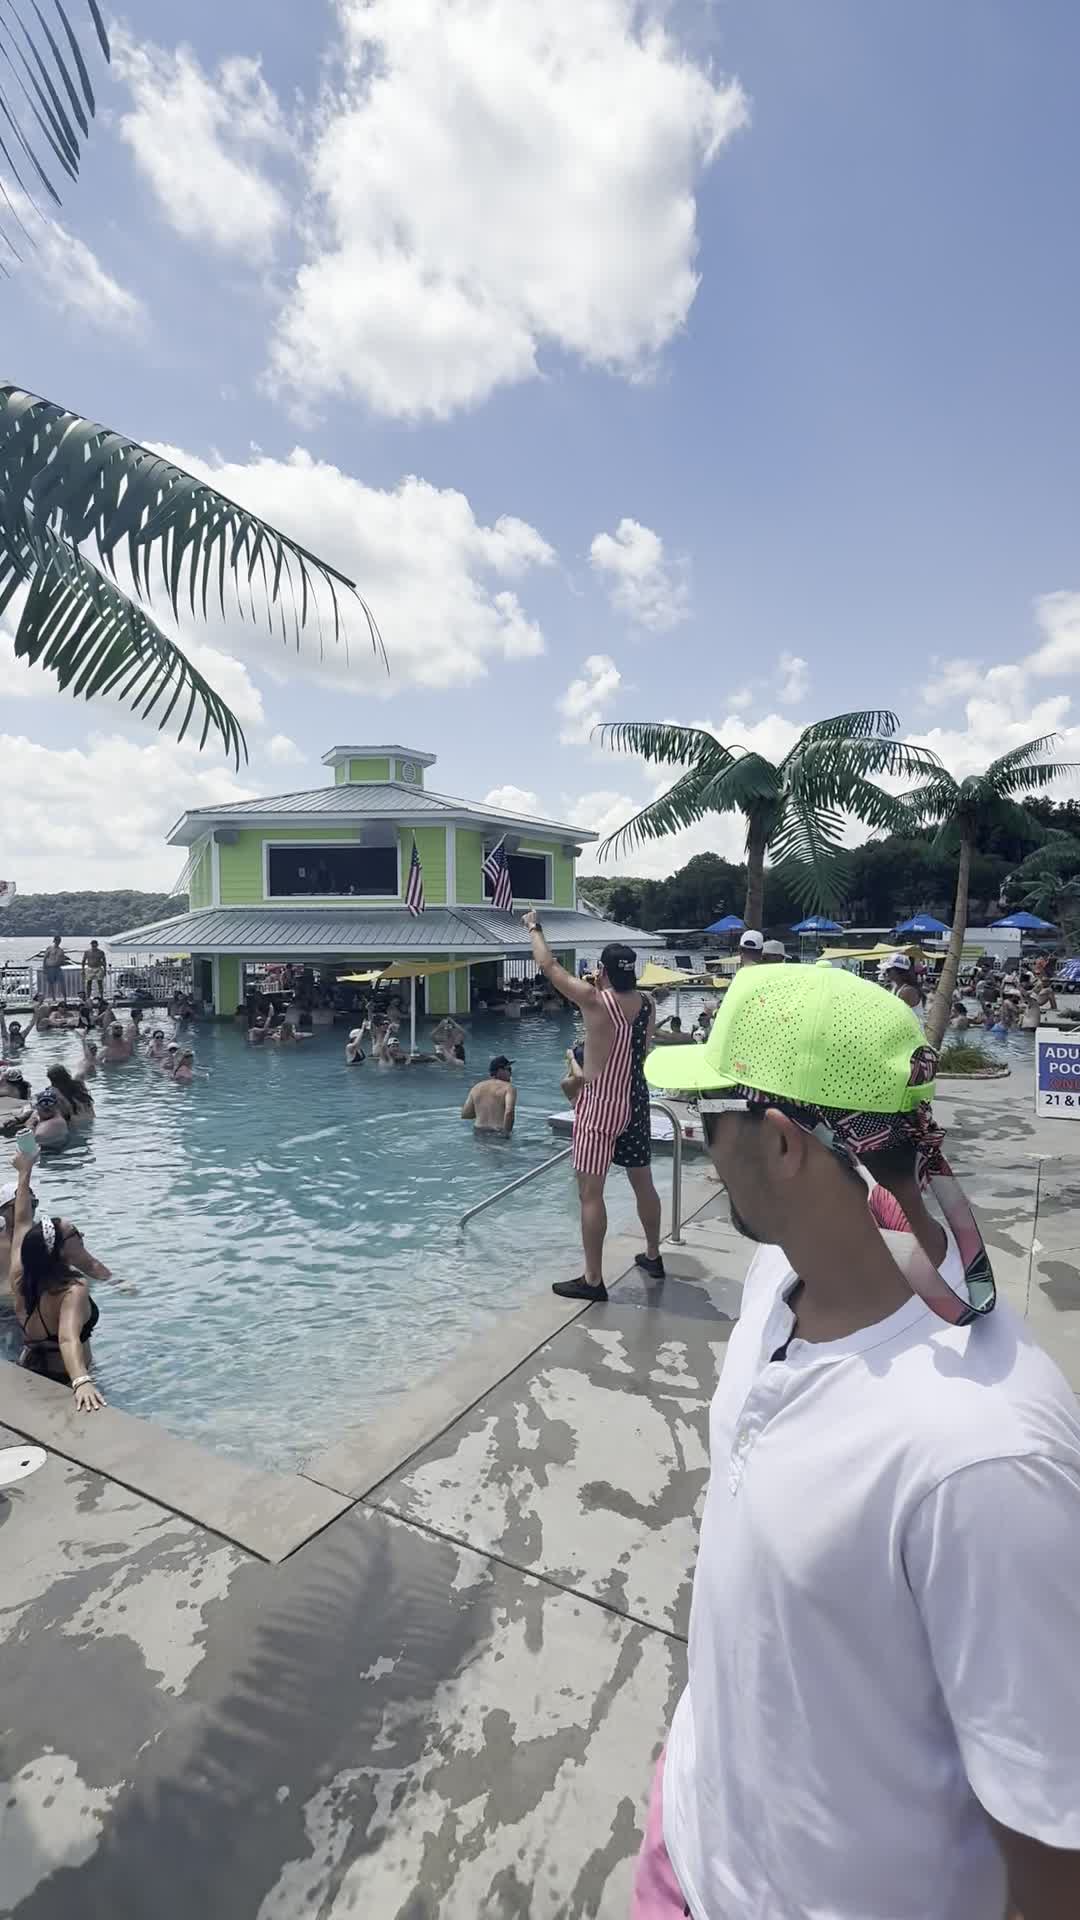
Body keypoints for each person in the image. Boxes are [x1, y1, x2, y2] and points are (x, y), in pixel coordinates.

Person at [639, 962, 1080, 1920]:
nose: (705, 1147)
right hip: (690, 1844)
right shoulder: (778, 1281)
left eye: (713, 1118)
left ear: (785, 1145)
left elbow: (1054, 1844)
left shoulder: (985, 1456)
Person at [523, 912, 664, 1298]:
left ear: (602, 970)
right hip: (636, 1099)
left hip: (601, 1103)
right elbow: (643, 1046)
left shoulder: (594, 1000)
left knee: (590, 1193)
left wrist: (534, 928)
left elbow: (547, 965)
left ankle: (593, 1279)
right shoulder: (648, 1003)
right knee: (643, 1182)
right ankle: (653, 1254)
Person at [5, 1153, 106, 1409]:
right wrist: (81, 1381)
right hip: (65, 1378)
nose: (81, 1234)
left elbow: (22, 1221)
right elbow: (67, 1338)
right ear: (60, 1251)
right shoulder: (73, 1289)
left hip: (28, 1368)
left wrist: (24, 1171)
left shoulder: (20, 1275)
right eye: (74, 1233)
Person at [0, 1173, 112, 1294]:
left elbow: (90, 1265)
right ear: (2, 1210)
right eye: (19, 1206)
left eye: (32, 1204)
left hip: (40, 1305)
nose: (27, 1210)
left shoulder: (51, 1237)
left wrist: (117, 1283)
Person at [461, 1056, 517, 1135]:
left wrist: (483, 1110)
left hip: (479, 1131)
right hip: (497, 1132)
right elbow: (509, 1112)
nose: (510, 1073)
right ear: (500, 1070)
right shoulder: (508, 1088)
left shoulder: (476, 1087)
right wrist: (506, 1134)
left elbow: (465, 1114)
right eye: (509, 1069)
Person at [40, 934, 70, 1001]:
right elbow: (45, 958)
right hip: (50, 968)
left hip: (57, 968)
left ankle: (65, 998)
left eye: (59, 940)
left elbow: (63, 960)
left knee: (62, 983)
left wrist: (62, 962)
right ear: (54, 941)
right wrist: (44, 968)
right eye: (56, 940)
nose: (58, 942)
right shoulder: (49, 948)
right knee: (51, 984)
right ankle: (54, 999)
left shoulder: (61, 950)